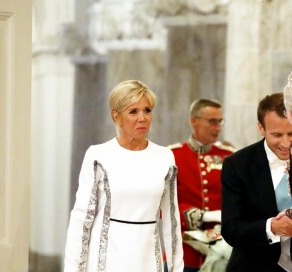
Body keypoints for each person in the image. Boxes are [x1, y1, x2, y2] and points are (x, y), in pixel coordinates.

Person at [64, 80, 184, 272]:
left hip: (148, 260)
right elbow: (81, 219)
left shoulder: (165, 157)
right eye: (133, 111)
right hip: (105, 259)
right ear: (116, 116)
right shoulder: (98, 155)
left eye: (147, 110)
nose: (142, 118)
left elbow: (172, 220)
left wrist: (177, 269)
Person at [221, 92, 292, 272]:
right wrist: (272, 227)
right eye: (277, 134)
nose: (286, 143)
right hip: (254, 267)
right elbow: (231, 229)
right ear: (261, 128)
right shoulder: (237, 164)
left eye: (291, 133)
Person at [169, 99, 234, 272]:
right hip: (185, 252)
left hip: (222, 250)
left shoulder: (230, 157)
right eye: (212, 121)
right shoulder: (173, 156)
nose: (218, 127)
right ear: (194, 121)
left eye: (220, 121)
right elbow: (165, 205)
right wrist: (205, 216)